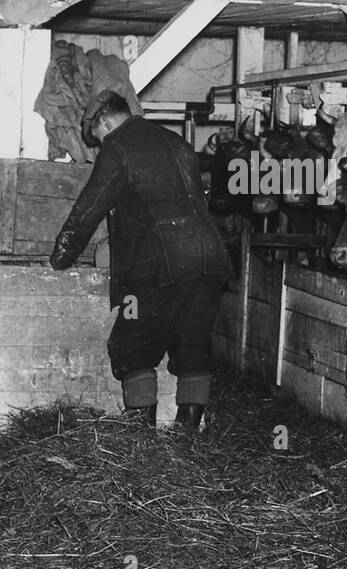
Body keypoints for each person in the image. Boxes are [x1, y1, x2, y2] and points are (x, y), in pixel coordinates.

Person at [49, 91, 231, 432]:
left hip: (162, 265)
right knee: (193, 344)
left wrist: (62, 255)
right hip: (210, 260)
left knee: (131, 343)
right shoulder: (175, 142)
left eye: (98, 137)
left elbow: (90, 208)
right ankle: (189, 434)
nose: (101, 143)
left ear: (104, 121)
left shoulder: (118, 146)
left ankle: (140, 437)